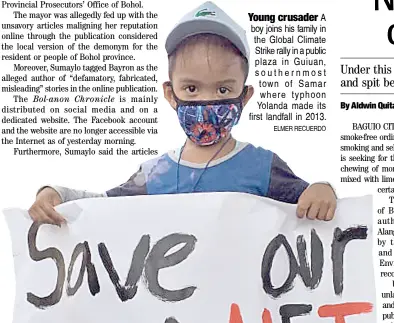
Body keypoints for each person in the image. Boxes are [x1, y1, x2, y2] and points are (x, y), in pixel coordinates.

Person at [29, 1, 336, 226]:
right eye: (191, 89)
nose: (206, 102)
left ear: (245, 96)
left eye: (223, 90)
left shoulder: (263, 166)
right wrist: (54, 194)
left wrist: (324, 189)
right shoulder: (153, 176)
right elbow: (101, 207)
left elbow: (309, 203)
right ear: (169, 93)